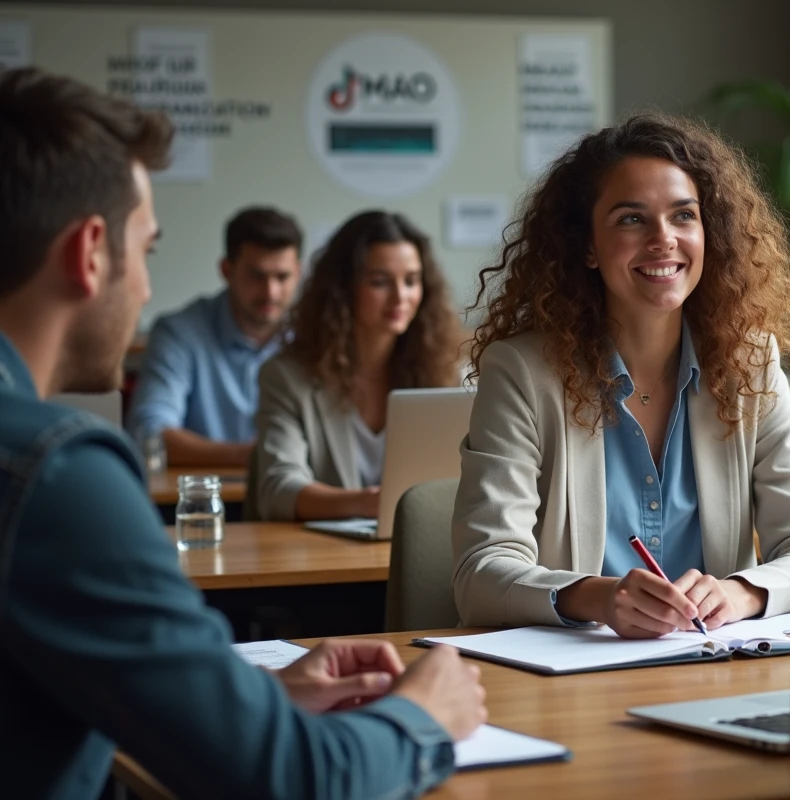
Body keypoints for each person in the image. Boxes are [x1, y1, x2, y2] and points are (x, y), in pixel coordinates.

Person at [0, 67, 486, 800]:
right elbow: (291, 779)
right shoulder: (56, 472)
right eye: (149, 251)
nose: (148, 289)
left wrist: (242, 699)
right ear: (91, 251)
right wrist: (424, 716)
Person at [452, 113, 790, 638]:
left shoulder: (750, 363)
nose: (663, 239)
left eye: (683, 216)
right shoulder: (521, 372)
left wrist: (739, 594)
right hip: (574, 677)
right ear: (587, 247)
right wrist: (600, 597)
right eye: (631, 219)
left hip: (710, 665)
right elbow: (480, 571)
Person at [249, 210, 463, 522]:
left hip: (418, 546)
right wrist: (366, 503)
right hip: (325, 560)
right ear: (343, 288)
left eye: (411, 281)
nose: (400, 297)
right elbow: (278, 488)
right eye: (380, 282)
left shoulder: (446, 372)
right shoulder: (286, 377)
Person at [126, 206, 303, 467]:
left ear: (298, 272)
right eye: (257, 276)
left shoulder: (313, 338)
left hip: (295, 500)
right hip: (200, 501)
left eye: (282, 277)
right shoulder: (179, 333)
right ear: (226, 269)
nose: (271, 292)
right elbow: (150, 434)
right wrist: (255, 457)